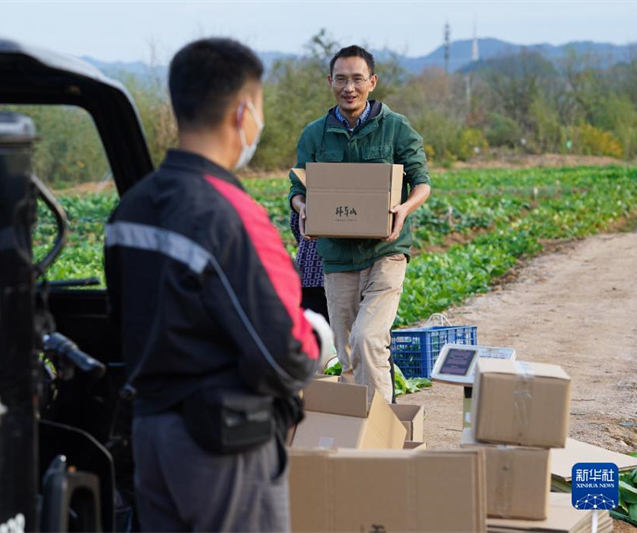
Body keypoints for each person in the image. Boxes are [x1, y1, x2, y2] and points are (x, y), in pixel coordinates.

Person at [105, 38, 320, 532]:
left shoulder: (130, 209)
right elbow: (283, 354)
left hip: (150, 437)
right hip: (221, 445)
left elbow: (124, 322)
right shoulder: (230, 216)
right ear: (243, 112)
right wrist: (316, 342)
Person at [288, 45, 431, 404]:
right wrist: (303, 207)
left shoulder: (396, 129)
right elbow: (296, 188)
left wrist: (403, 209)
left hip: (385, 251)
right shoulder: (314, 134)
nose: (348, 87)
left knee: (368, 338)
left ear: (372, 82)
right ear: (330, 82)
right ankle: (359, 433)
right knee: (347, 349)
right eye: (340, 79)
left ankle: (384, 429)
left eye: (356, 79)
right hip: (336, 257)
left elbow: (422, 183)